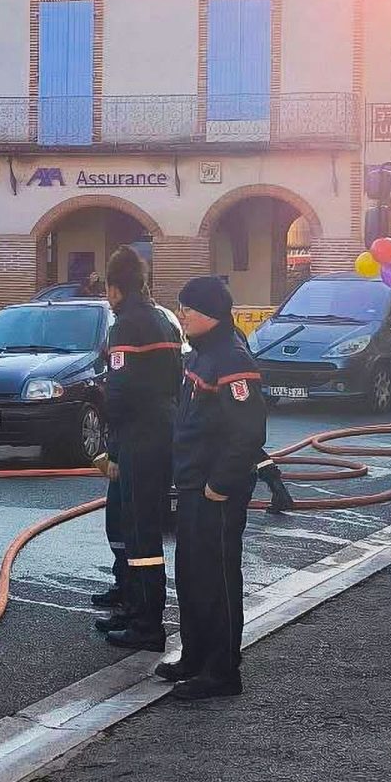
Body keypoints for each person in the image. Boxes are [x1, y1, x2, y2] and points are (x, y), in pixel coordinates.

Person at [161, 275, 267, 700]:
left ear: (208, 314)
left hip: (213, 491)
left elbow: (247, 432)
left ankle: (222, 670)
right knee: (191, 574)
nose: (182, 315)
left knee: (217, 578)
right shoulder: (200, 354)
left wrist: (220, 485)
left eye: (187, 308)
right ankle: (195, 654)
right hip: (191, 484)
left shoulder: (231, 360)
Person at [93, 246, 183, 653]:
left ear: (114, 289)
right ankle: (133, 605)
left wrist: (111, 446)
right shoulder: (164, 322)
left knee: (141, 532)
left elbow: (120, 390)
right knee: (135, 525)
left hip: (136, 437)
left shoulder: (125, 326)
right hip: (161, 430)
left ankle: (147, 622)